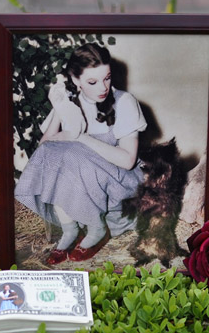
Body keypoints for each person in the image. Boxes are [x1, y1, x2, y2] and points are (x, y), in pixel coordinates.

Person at [14, 43, 147, 265]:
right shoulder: (70, 103)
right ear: (75, 80)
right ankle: (70, 229)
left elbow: (127, 161)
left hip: (117, 180)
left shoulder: (124, 101)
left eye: (107, 78)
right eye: (92, 82)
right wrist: (59, 106)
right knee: (54, 155)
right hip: (80, 176)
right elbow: (44, 150)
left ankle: (96, 229)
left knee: (71, 155)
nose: (102, 87)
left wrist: (79, 136)